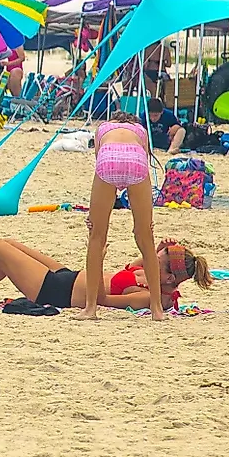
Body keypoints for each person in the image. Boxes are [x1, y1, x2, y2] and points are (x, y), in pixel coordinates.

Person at [0, 237, 182, 312]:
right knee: (7, 243)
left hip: (57, 292)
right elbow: (135, 264)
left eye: (157, 261)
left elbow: (100, 300)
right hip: (66, 276)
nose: (150, 261)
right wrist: (160, 248)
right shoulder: (148, 274)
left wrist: (97, 263)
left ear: (169, 278)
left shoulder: (147, 297)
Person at [77, 118, 161, 319]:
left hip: (108, 161)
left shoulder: (103, 129)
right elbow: (147, 158)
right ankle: (157, 309)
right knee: (145, 237)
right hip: (136, 162)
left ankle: (90, 308)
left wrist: (95, 216)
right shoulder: (140, 130)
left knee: (97, 236)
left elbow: (99, 160)